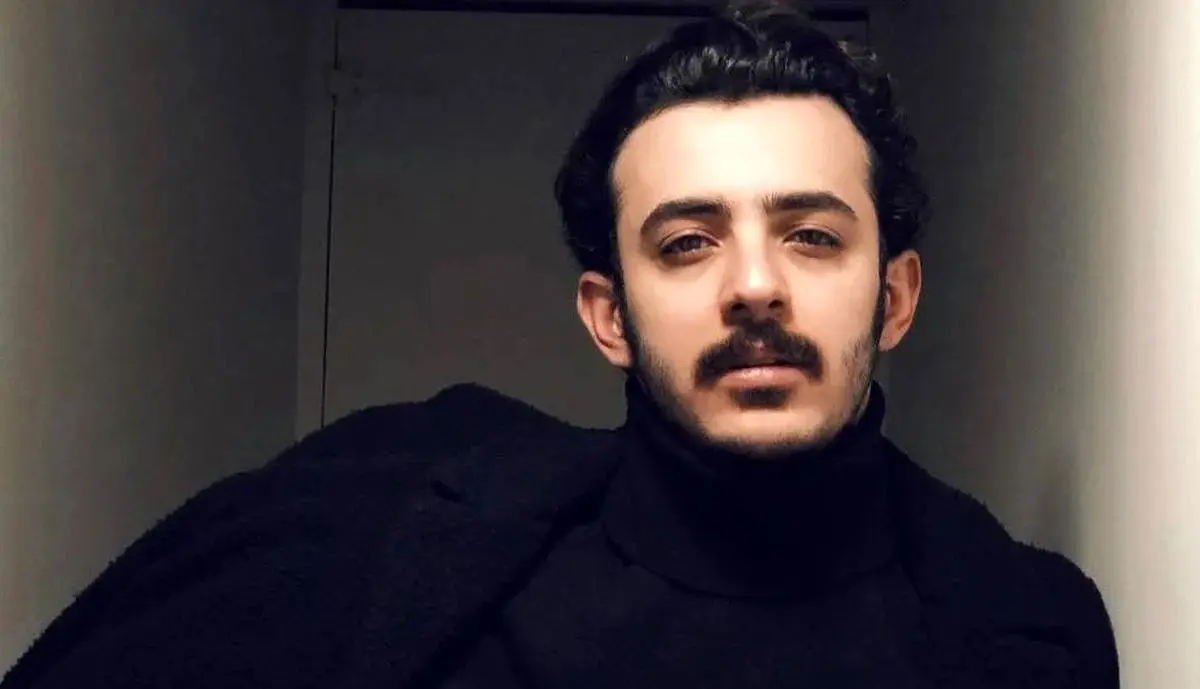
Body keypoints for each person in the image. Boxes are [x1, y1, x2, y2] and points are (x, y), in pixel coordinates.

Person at [2, 2, 1118, 688]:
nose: (754, 285)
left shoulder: (1030, 633)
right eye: (687, 242)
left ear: (896, 296)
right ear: (607, 316)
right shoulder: (399, 560)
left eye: (812, 235)